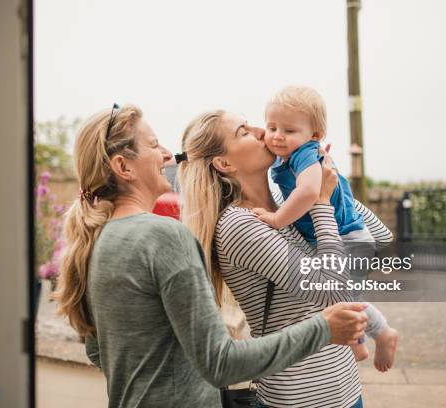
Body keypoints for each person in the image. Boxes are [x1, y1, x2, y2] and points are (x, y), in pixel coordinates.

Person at [53, 104, 369, 408]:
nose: (167, 154)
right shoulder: (164, 236)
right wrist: (324, 327)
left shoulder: (99, 239)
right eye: (153, 145)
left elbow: (99, 351)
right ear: (123, 167)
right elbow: (220, 363)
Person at [178, 109, 398, 408]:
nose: (260, 130)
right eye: (243, 131)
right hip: (299, 398)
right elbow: (336, 293)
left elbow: (380, 236)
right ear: (224, 163)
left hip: (344, 389)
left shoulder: (286, 204)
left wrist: (330, 186)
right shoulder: (239, 225)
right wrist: (320, 203)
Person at [253, 85, 399, 372]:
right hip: (341, 235)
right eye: (271, 127)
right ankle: (361, 341)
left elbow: (309, 193)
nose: (277, 136)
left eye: (289, 130)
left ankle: (381, 334)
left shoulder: (305, 154)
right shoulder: (295, 155)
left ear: (314, 135)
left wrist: (276, 219)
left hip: (348, 237)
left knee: (342, 293)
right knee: (344, 294)